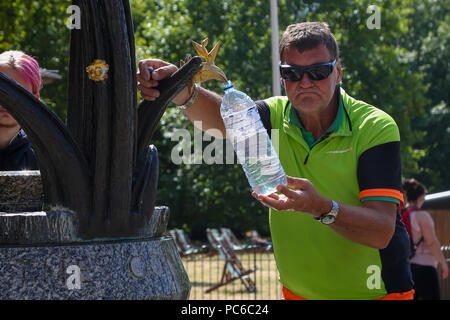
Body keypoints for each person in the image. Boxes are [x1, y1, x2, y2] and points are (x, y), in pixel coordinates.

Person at [137, 22, 414, 300]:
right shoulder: (274, 114)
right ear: (282, 78)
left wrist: (321, 208)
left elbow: (381, 232)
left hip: (377, 294)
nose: (305, 82)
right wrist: (180, 90)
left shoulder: (374, 126)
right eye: (292, 73)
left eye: (318, 72)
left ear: (338, 72)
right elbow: (223, 122)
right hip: (297, 294)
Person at [402, 178, 449, 300]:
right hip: (424, 267)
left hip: (405, 267)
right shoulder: (422, 215)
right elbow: (431, 241)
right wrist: (443, 263)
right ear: (421, 197)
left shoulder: (400, 214)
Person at [0, 50, 40, 171]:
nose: (8, 101)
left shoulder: (46, 156)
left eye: (20, 93)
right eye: (2, 91)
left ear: (35, 99)